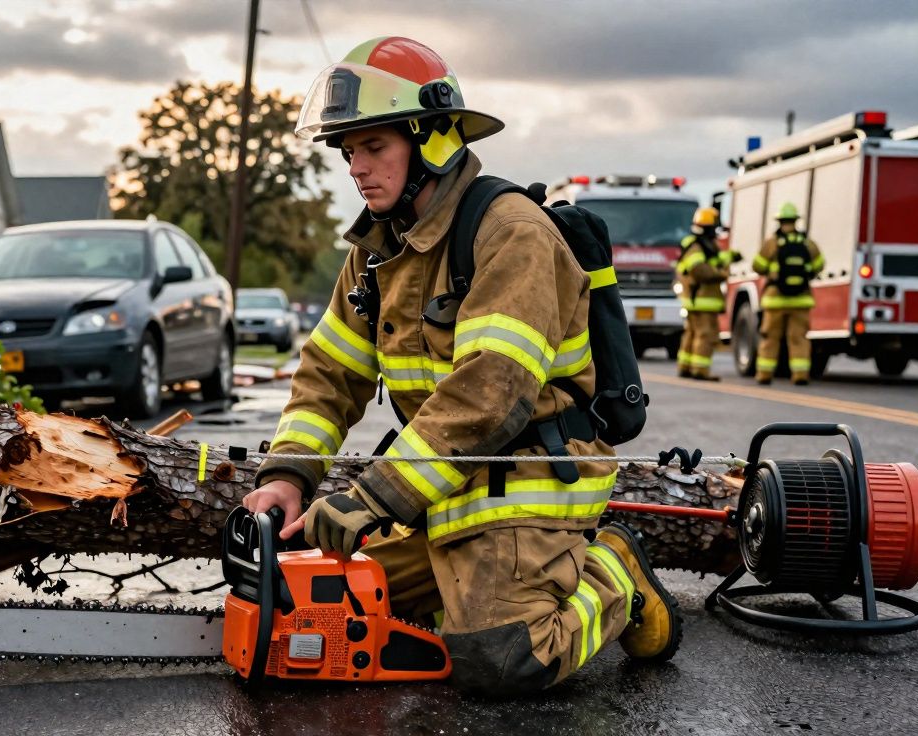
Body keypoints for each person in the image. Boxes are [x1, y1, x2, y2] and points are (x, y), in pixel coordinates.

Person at [242, 36, 681, 697]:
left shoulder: (510, 232)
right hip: (442, 492)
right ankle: (480, 590)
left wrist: (370, 499)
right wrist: (287, 474)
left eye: (374, 147)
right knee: (340, 607)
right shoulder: (375, 254)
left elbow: (490, 396)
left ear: (433, 139)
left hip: (528, 484)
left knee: (498, 656)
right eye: (348, 151)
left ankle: (614, 574)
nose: (357, 168)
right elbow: (330, 375)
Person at [752, 202, 823, 385]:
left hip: (775, 299)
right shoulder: (808, 243)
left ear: (780, 221)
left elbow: (757, 266)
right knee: (798, 338)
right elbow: (819, 265)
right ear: (795, 221)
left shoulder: (772, 243)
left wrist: (772, 271)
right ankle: (800, 375)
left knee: (770, 338)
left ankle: (764, 374)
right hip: (801, 299)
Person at [675, 207, 739, 380]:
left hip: (696, 300)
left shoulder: (701, 245)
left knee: (692, 334)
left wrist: (732, 256)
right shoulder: (696, 246)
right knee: (706, 335)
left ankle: (685, 367)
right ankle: (700, 370)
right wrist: (722, 275)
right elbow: (700, 270)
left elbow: (715, 260)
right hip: (703, 300)